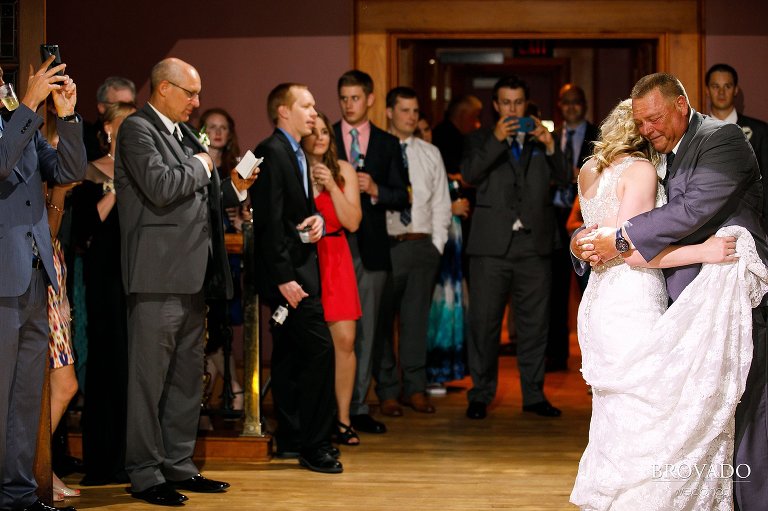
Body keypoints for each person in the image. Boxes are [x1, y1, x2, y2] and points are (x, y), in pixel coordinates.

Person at [573, 73, 768, 511]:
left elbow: (690, 209)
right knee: (676, 413)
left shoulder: (723, 139)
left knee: (740, 414)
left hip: (728, 300)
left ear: (682, 104)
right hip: (665, 298)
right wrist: (588, 242)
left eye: (655, 119)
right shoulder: (651, 160)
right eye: (640, 123)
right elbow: (608, 227)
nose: (648, 130)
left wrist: (613, 240)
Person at [115, 58, 256, 506]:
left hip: (194, 277)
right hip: (156, 278)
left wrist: (233, 184)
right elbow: (159, 186)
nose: (197, 103)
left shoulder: (183, 134)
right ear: (161, 89)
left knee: (184, 382)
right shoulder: (138, 130)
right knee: (148, 382)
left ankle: (178, 464)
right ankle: (143, 472)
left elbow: (203, 194)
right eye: (190, 93)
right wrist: (201, 164)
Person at [0, 57, 86, 511]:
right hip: (1, 276)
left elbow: (68, 171)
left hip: (36, 274)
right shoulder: (18, 120)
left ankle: (18, 496)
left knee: (25, 399)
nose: (3, 82)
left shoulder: (18, 122)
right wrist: (29, 106)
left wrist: (68, 115)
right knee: (1, 395)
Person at [461, 75, 568, 420]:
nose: (512, 109)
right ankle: (480, 394)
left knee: (535, 325)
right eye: (505, 103)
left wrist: (550, 145)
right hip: (490, 247)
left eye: (518, 103)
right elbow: (470, 175)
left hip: (534, 245)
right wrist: (495, 141)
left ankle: (534, 395)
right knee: (484, 325)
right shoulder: (479, 138)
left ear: (527, 105)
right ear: (495, 106)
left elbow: (569, 177)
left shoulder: (541, 141)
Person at [251, 83, 341, 473]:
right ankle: (315, 446)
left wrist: (316, 219)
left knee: (288, 357)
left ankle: (291, 438)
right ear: (283, 112)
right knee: (320, 352)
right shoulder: (272, 151)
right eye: (306, 105)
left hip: (301, 268)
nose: (314, 112)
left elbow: (292, 216)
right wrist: (284, 279)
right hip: (292, 278)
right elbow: (268, 223)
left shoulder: (295, 152)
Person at [333, 70, 410, 430]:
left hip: (373, 247)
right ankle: (334, 408)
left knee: (369, 330)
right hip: (332, 244)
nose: (349, 105)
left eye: (355, 98)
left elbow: (400, 195)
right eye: (343, 99)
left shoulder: (386, 143)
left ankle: (359, 405)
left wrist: (375, 187)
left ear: (369, 99)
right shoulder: (325, 137)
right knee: (335, 329)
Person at [373, 86, 451, 414]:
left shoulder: (430, 153)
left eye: (415, 111)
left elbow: (441, 203)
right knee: (380, 322)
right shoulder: (377, 150)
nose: (411, 117)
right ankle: (388, 390)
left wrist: (436, 245)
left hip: (421, 245)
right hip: (386, 246)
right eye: (404, 110)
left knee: (416, 321)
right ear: (389, 112)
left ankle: (415, 388)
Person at [71, 101, 136, 486]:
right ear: (108, 129)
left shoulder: (145, 171)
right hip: (104, 278)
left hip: (137, 278)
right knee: (106, 364)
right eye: (124, 125)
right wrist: (118, 187)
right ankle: (102, 460)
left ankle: (134, 458)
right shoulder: (90, 170)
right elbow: (84, 230)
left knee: (134, 368)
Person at [301, 111, 363, 446]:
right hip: (308, 259)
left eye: (326, 131)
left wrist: (330, 186)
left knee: (345, 342)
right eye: (315, 131)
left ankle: (343, 419)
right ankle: (314, 420)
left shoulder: (345, 171)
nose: (321, 137)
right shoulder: (295, 169)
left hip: (337, 257)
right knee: (311, 344)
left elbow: (353, 222)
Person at [547, 84, 600, 372]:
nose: (571, 107)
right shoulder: (551, 138)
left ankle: (593, 361)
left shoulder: (599, 136)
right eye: (565, 102)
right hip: (553, 218)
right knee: (553, 292)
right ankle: (555, 358)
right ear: (559, 105)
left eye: (576, 102)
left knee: (589, 290)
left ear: (584, 105)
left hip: (586, 219)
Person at [198, 108, 247, 415]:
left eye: (223, 128)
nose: (217, 133)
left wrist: (241, 219)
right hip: (202, 255)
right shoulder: (193, 163)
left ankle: (216, 399)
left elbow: (247, 216)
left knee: (221, 329)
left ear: (230, 135)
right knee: (210, 331)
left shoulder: (236, 169)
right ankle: (230, 393)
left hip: (230, 255)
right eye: (211, 127)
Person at [705, 63, 768, 221]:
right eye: (715, 86)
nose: (721, 92)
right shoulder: (693, 131)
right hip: (705, 225)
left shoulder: (760, 131)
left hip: (753, 222)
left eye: (727, 86)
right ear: (707, 90)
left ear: (736, 90)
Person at [83, 76, 135, 161]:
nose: (127, 110)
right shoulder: (86, 140)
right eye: (120, 105)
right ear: (101, 107)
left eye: (130, 104)